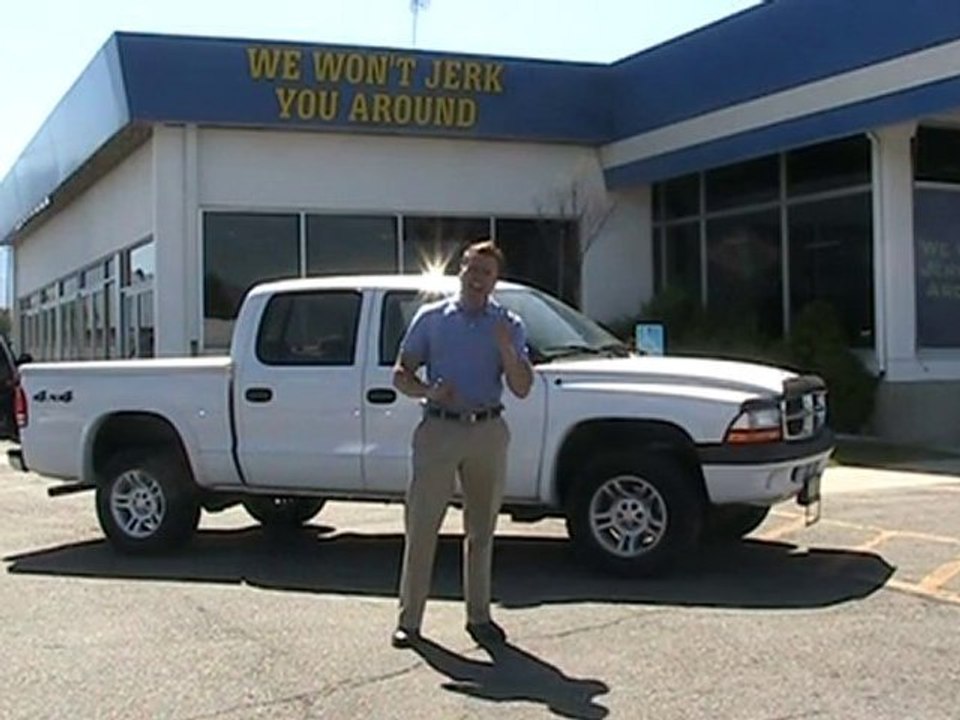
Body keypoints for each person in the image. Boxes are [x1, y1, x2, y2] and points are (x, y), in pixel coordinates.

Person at [390, 238, 534, 649]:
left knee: (481, 529)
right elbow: (401, 374)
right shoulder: (432, 319)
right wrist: (427, 391)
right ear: (461, 272)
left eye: (486, 273)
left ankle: (479, 616)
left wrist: (506, 348)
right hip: (439, 430)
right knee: (422, 527)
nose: (477, 279)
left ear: (495, 280)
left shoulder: (509, 324)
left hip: (487, 430)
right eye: (471, 270)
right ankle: (410, 621)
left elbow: (522, 387)